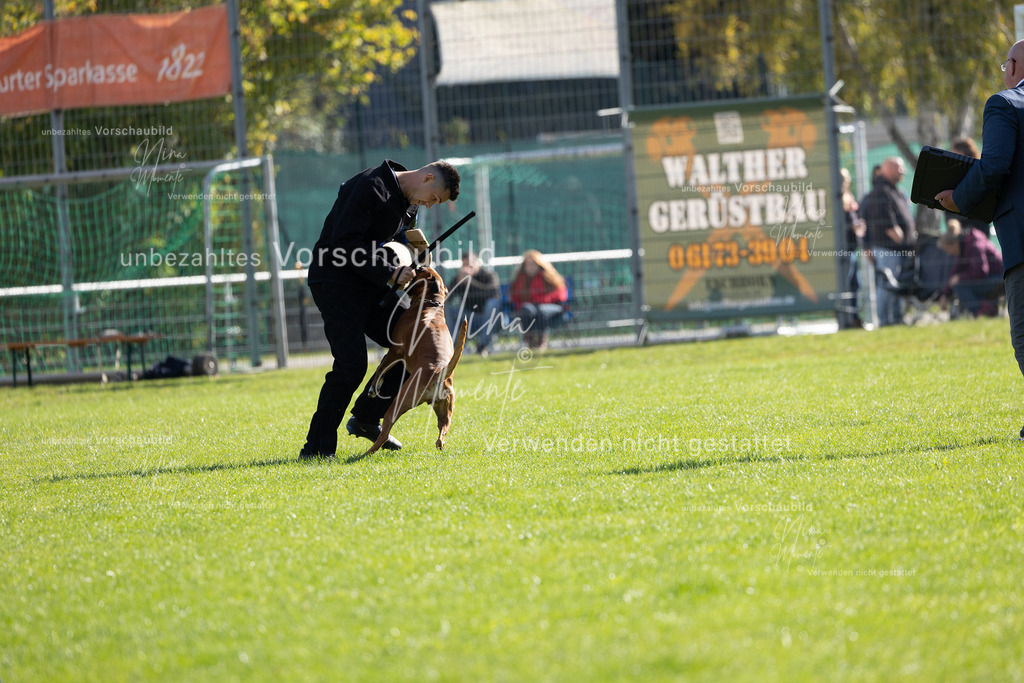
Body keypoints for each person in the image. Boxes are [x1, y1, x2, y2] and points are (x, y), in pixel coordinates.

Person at [300, 159, 461, 459]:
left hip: (371, 284)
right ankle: (317, 450)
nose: (429, 206)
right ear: (427, 178)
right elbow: (343, 245)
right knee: (351, 365)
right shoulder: (370, 186)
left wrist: (411, 252)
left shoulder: (409, 204)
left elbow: (390, 241)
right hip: (335, 281)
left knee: (413, 342)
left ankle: (365, 418)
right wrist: (391, 271)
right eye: (434, 199)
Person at [935, 39, 1024, 437]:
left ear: (1014, 66)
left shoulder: (1004, 103)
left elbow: (994, 167)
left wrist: (959, 200)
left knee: (1023, 334)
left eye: (1005, 64)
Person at [861, 156, 917, 326]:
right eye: (900, 168)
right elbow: (885, 222)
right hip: (888, 249)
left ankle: (896, 318)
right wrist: (900, 238)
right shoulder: (880, 192)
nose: (904, 172)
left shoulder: (895, 191)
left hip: (899, 250)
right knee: (886, 285)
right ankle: (884, 321)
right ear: (890, 169)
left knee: (897, 286)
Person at [937, 219, 1004, 317]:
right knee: (960, 284)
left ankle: (981, 311)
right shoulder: (964, 245)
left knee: (959, 286)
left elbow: (981, 271)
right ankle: (986, 308)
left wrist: (959, 277)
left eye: (948, 250)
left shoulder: (974, 245)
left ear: (954, 243)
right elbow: (955, 272)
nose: (949, 253)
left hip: (999, 279)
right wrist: (945, 294)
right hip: (991, 278)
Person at [509, 250, 568, 350]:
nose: (531, 267)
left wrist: (542, 300)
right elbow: (515, 297)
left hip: (552, 308)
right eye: (528, 264)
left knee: (541, 310)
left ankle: (541, 343)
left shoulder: (549, 276)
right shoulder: (521, 279)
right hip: (531, 309)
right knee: (526, 309)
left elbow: (561, 294)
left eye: (533, 264)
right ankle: (530, 342)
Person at [445, 251, 501, 357]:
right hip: (470, 318)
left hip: (490, 319)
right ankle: (456, 348)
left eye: (470, 265)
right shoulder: (459, 278)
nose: (467, 269)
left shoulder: (489, 275)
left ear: (477, 263)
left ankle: (483, 346)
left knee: (492, 303)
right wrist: (458, 283)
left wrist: (471, 282)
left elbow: (493, 292)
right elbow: (447, 298)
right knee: (448, 310)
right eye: (465, 265)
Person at [840, 167, 867, 328]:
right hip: (843, 249)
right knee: (847, 284)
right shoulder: (836, 199)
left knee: (855, 284)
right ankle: (848, 319)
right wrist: (854, 225)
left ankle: (855, 317)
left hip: (852, 248)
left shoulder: (848, 197)